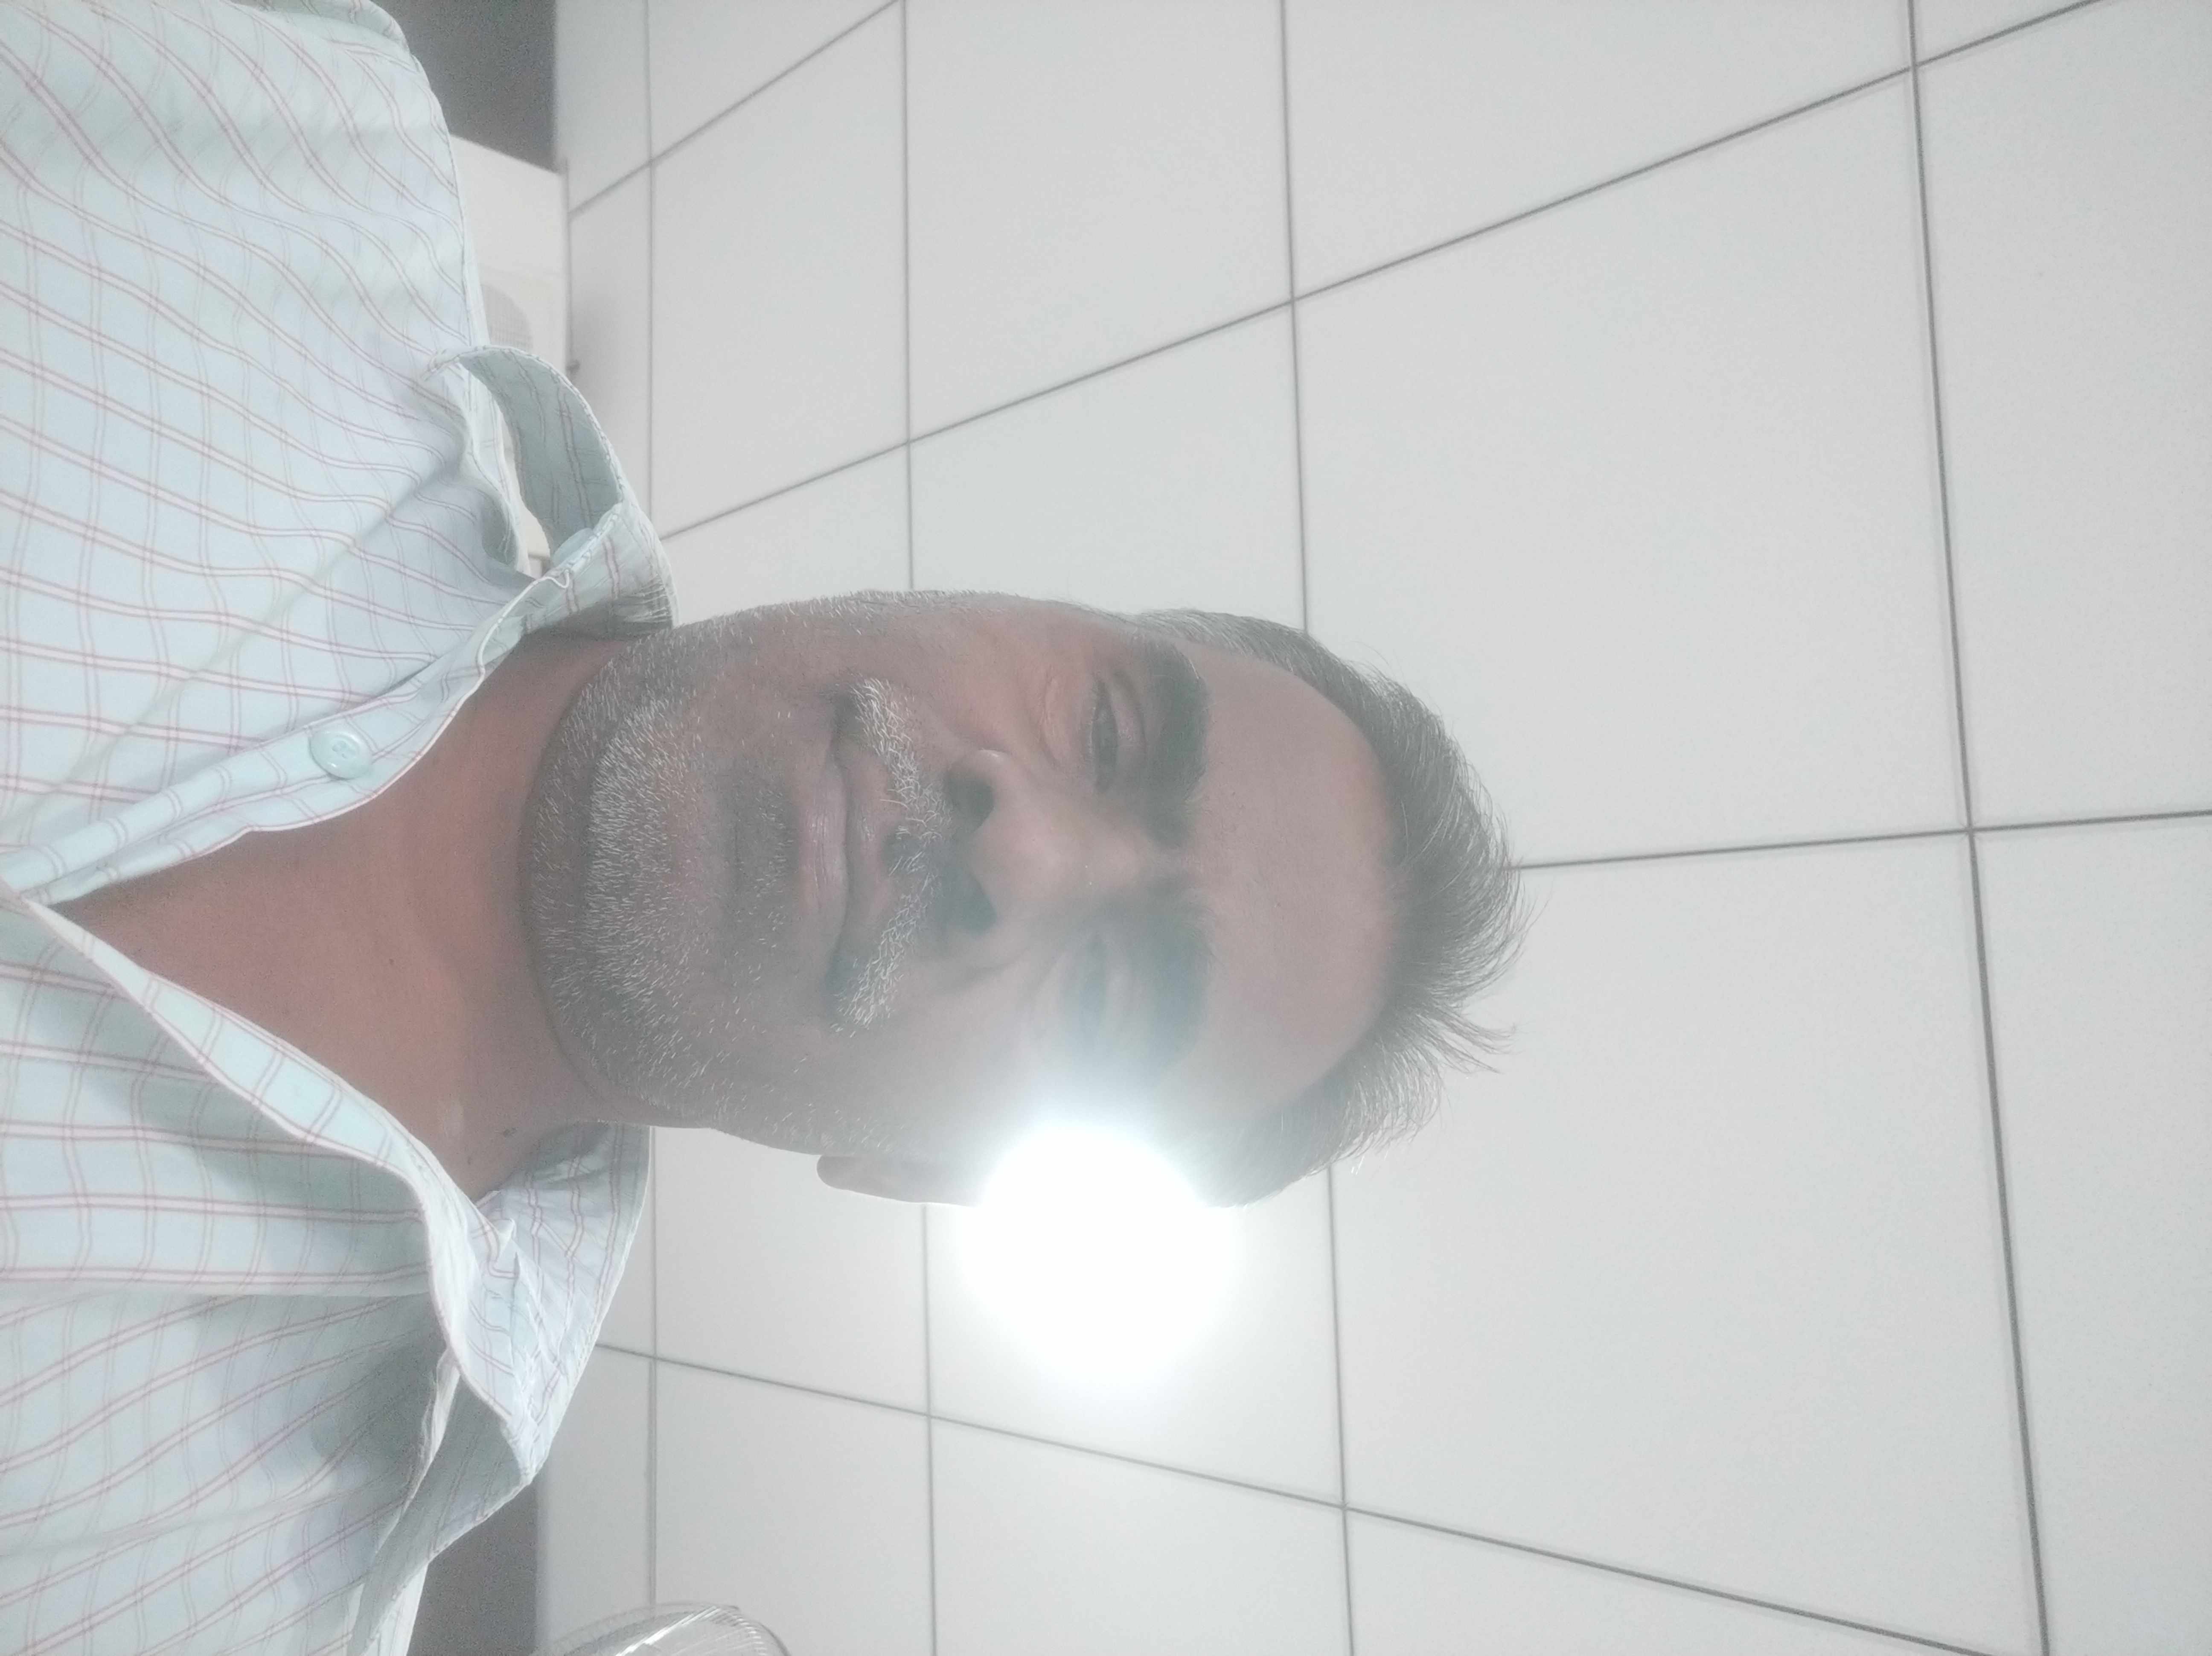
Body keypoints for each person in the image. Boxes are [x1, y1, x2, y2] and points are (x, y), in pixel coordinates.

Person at [0, 2, 1523, 1653]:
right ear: (1005, 597)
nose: (1023, 850)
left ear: (930, 1175)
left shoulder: (233, 1597)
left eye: (1112, 993)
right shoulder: (271, 146)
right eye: (1109, 731)